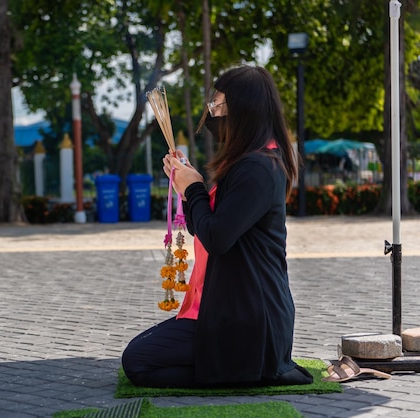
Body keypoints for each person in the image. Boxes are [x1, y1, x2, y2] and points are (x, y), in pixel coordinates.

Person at [121, 65, 313, 388]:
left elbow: (217, 237)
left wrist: (193, 188)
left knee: (137, 361)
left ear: (242, 112)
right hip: (230, 309)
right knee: (143, 353)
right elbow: (206, 225)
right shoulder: (250, 162)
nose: (212, 114)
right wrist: (186, 184)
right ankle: (232, 370)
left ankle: (237, 372)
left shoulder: (258, 169)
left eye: (218, 106)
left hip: (249, 320)